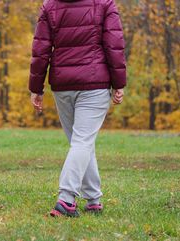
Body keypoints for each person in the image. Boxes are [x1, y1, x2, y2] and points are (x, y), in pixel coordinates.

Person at [29, 0, 126, 217]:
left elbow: (40, 49)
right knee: (82, 141)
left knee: (80, 141)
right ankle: (66, 199)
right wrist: (119, 83)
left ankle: (93, 199)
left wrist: (36, 88)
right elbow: (114, 45)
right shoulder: (105, 4)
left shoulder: (50, 6)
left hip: (63, 85)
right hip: (95, 83)